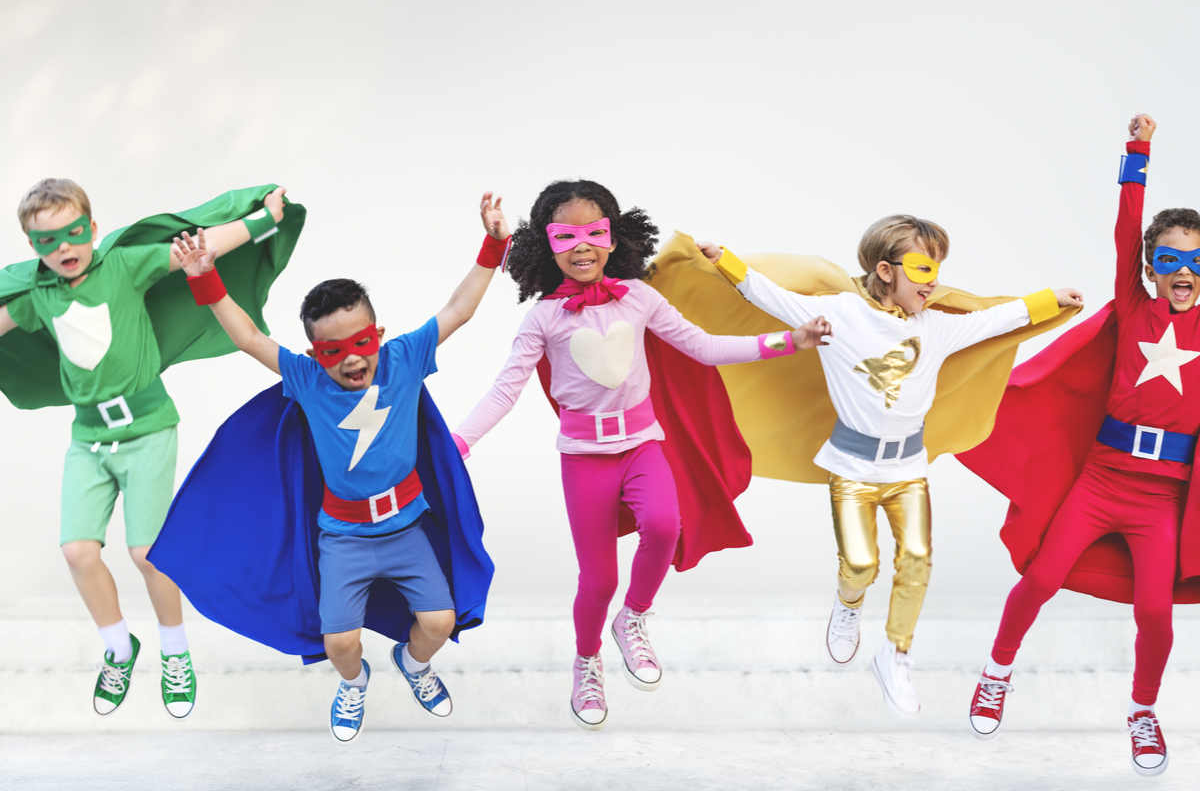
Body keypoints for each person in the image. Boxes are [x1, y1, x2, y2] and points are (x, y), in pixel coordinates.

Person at [453, 179, 831, 731]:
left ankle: (632, 619)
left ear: (615, 237)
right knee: (597, 581)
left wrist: (788, 341)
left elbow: (704, 347)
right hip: (583, 458)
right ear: (546, 245)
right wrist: (459, 443)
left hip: (641, 445)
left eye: (594, 233)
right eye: (566, 236)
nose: (582, 246)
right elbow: (504, 390)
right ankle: (587, 663)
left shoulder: (639, 297)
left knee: (663, 524)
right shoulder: (543, 318)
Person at [696, 220, 1081, 720]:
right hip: (852, 467)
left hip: (907, 470)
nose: (932, 280)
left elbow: (996, 319)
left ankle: (895, 654)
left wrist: (1051, 298)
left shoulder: (936, 327)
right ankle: (848, 604)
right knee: (860, 565)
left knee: (917, 560)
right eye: (921, 268)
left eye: (936, 269)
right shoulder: (841, 313)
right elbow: (770, 295)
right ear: (884, 270)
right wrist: (722, 258)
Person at [167, 193, 503, 743]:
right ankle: (354, 683)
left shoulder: (404, 359)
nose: (351, 358)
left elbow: (459, 309)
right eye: (332, 350)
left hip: (406, 529)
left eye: (362, 342)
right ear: (314, 353)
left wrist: (494, 243)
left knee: (439, 622)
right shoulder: (306, 380)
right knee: (339, 644)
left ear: (379, 335)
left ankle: (413, 664)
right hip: (343, 539)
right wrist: (204, 277)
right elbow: (248, 337)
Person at [0, 179, 297, 719]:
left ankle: (175, 651)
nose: (64, 248)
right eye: (47, 241)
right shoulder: (35, 296)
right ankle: (119, 648)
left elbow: (201, 246)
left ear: (91, 229)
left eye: (73, 233)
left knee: (148, 553)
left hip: (148, 430)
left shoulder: (123, 267)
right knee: (77, 551)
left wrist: (263, 221)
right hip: (89, 440)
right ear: (33, 247)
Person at [959, 114, 1195, 777]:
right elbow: (1126, 229)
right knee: (1040, 579)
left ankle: (1142, 711)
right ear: (1151, 268)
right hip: (1101, 480)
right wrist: (1137, 152)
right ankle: (996, 673)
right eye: (1169, 259)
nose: (1183, 269)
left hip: (1162, 496)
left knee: (1156, 613)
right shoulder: (1135, 304)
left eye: (1195, 260)